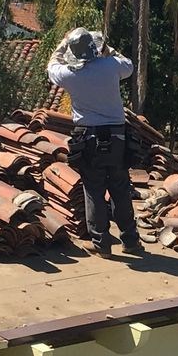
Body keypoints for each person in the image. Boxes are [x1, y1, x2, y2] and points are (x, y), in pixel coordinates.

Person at [47, 27, 145, 258]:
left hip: (87, 136)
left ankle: (102, 244)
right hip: (117, 135)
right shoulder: (111, 66)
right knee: (120, 188)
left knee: (93, 190)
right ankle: (130, 241)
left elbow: (51, 65)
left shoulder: (70, 74)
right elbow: (128, 65)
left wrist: (63, 43)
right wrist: (107, 49)